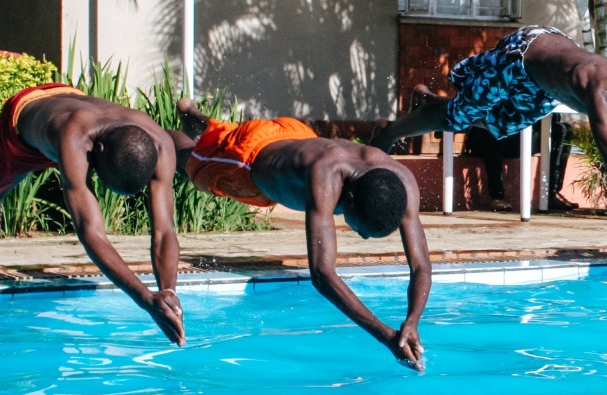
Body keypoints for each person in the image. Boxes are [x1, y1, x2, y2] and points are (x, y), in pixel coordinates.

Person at [370, 25, 607, 292]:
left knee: (498, 124)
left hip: (547, 79)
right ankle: (390, 131)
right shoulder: (603, 96)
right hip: (523, 56)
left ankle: (431, 104)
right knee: (458, 117)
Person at [0, 83, 186, 345]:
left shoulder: (160, 143)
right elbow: (90, 231)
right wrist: (144, 299)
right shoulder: (75, 138)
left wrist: (167, 293)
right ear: (97, 151)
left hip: (64, 105)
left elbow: (164, 230)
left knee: (9, 179)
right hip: (23, 123)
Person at [172, 100, 431, 371]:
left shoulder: (402, 180)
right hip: (248, 160)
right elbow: (322, 274)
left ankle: (201, 120)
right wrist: (384, 334)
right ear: (349, 199)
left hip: (297, 134)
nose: (362, 238)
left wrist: (412, 320)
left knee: (217, 141)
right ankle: (164, 138)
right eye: (361, 230)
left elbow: (421, 265)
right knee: (191, 166)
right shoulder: (326, 175)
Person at [462, 116, 578, 211]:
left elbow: (553, 116)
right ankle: (496, 196)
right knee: (497, 125)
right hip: (488, 135)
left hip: (522, 138)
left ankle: (551, 193)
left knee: (562, 129)